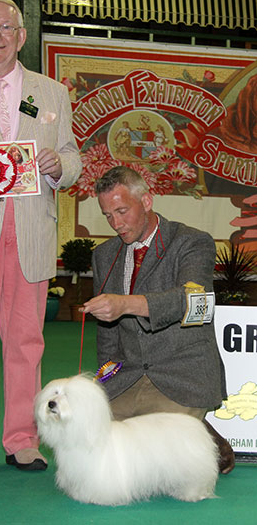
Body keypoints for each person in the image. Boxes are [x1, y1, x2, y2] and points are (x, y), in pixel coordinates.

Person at [0, 0, 81, 471]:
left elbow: (71, 155)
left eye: (5, 28)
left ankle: (22, 437)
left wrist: (58, 166)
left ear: (21, 36)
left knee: (27, 342)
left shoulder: (52, 92)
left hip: (29, 234)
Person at [83, 166, 235, 474]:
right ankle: (194, 430)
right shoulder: (103, 255)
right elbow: (108, 335)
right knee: (90, 442)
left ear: (147, 201)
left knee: (153, 464)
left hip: (182, 374)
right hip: (129, 375)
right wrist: (102, 387)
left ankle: (208, 438)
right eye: (108, 215)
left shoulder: (192, 242)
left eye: (122, 211)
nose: (116, 223)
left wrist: (126, 304)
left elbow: (197, 302)